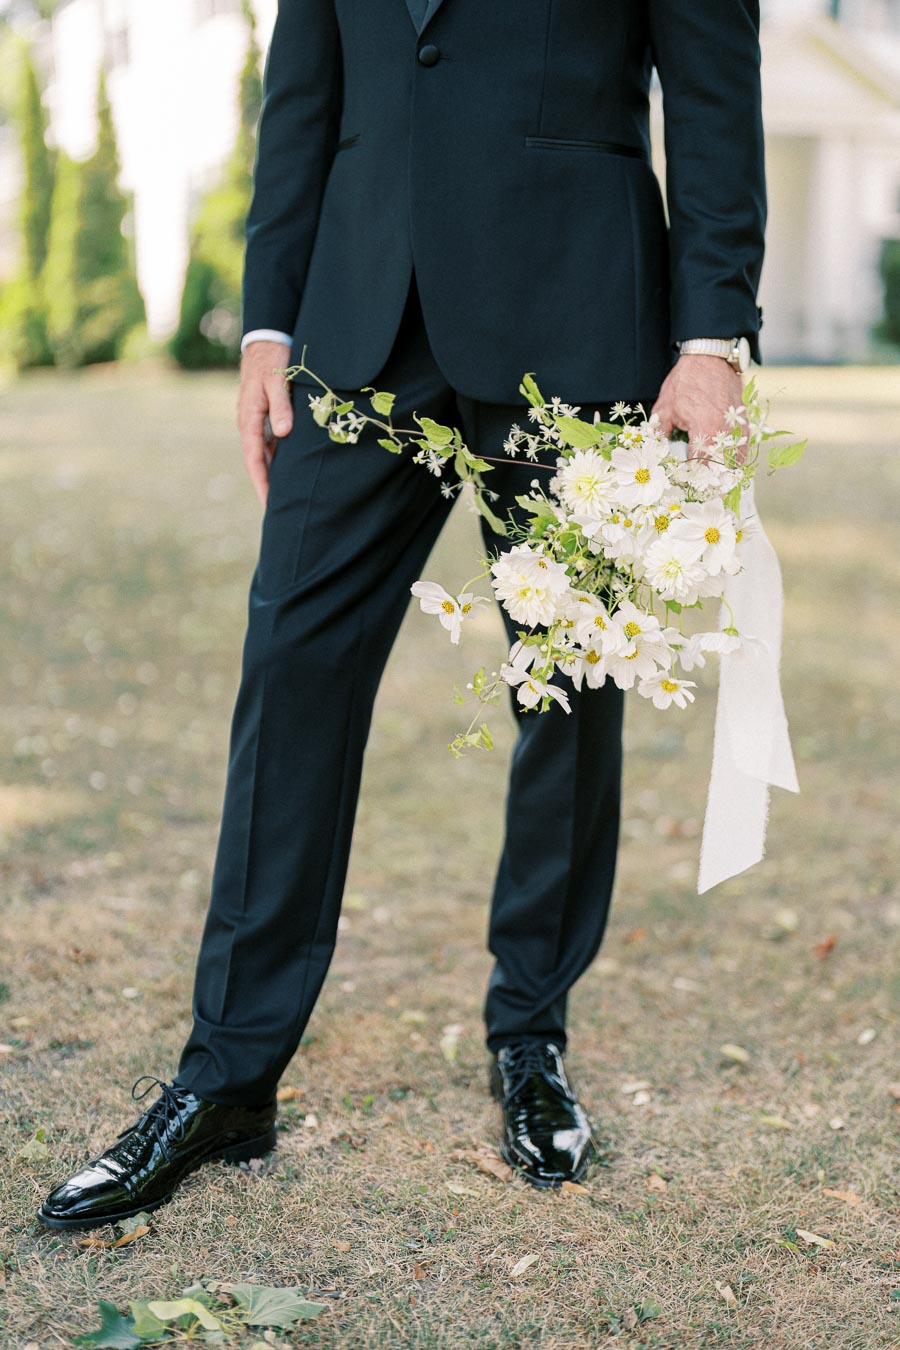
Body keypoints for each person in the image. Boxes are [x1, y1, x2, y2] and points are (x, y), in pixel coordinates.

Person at [37, 0, 765, 1229]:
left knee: (569, 690)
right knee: (291, 671)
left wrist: (711, 333)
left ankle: (530, 1034)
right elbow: (304, 92)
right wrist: (270, 319)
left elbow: (710, 89)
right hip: (357, 320)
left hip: (580, 312)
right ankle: (227, 1075)